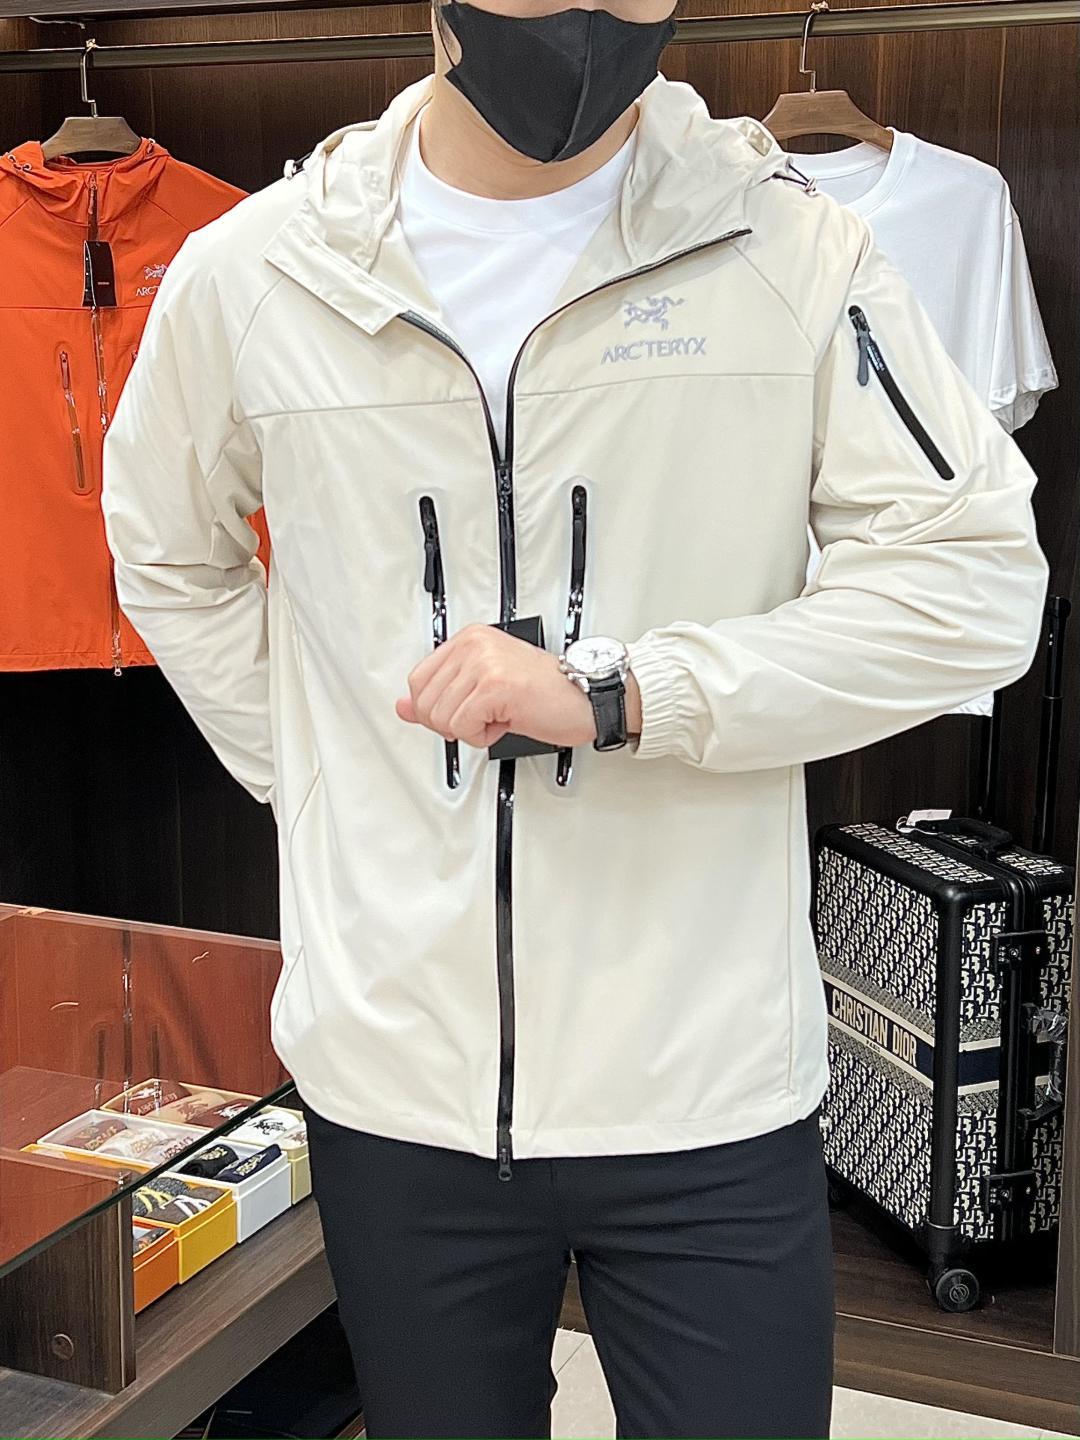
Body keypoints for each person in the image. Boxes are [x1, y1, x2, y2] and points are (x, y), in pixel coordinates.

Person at [101, 0, 1049, 1434]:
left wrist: (630, 693)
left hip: (703, 1085)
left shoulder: (789, 251)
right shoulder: (260, 271)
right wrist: (323, 777)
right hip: (398, 1082)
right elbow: (165, 546)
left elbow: (971, 586)